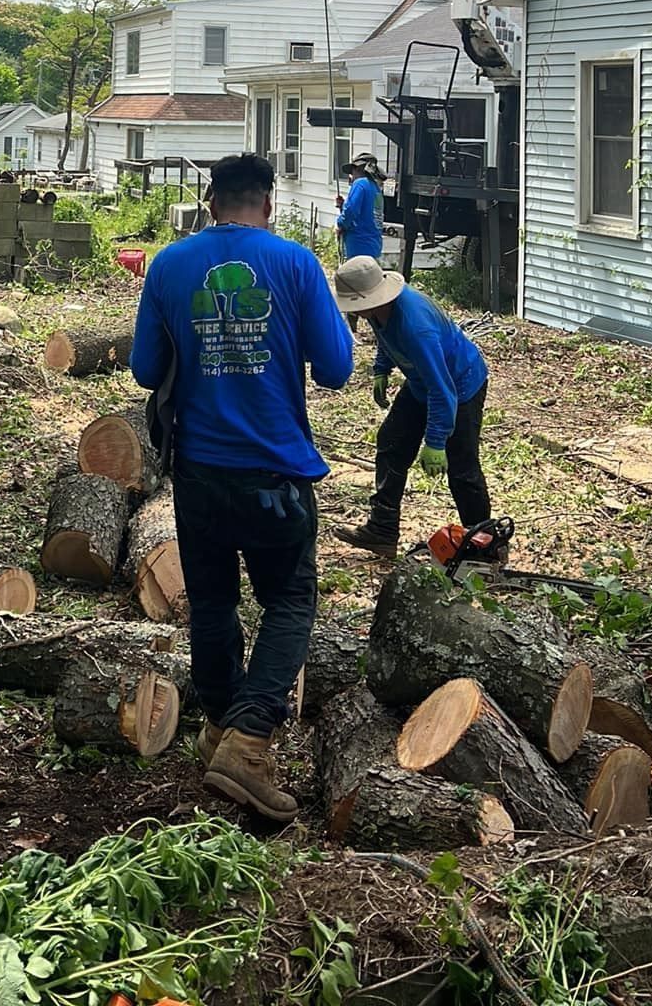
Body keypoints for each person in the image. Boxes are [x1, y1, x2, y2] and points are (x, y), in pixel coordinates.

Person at [131, 152, 354, 822]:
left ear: (210, 203)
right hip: (275, 475)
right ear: (268, 203)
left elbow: (146, 369)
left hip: (199, 472)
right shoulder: (294, 264)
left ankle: (220, 731)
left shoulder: (169, 265)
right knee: (289, 599)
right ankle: (250, 737)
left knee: (214, 601)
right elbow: (337, 369)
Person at [332, 254, 491, 554]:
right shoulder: (378, 310)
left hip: (460, 384)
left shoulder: (416, 327)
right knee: (392, 442)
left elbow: (443, 391)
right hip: (422, 382)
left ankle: (484, 544)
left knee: (462, 467)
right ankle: (382, 529)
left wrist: (435, 441)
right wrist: (381, 369)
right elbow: (387, 338)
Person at [336, 155, 385, 261]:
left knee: (355, 276)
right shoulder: (376, 188)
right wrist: (343, 205)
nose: (351, 176)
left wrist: (340, 224)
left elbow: (350, 211)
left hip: (359, 245)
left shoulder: (360, 184)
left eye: (352, 172)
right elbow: (367, 212)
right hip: (374, 245)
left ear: (358, 169)